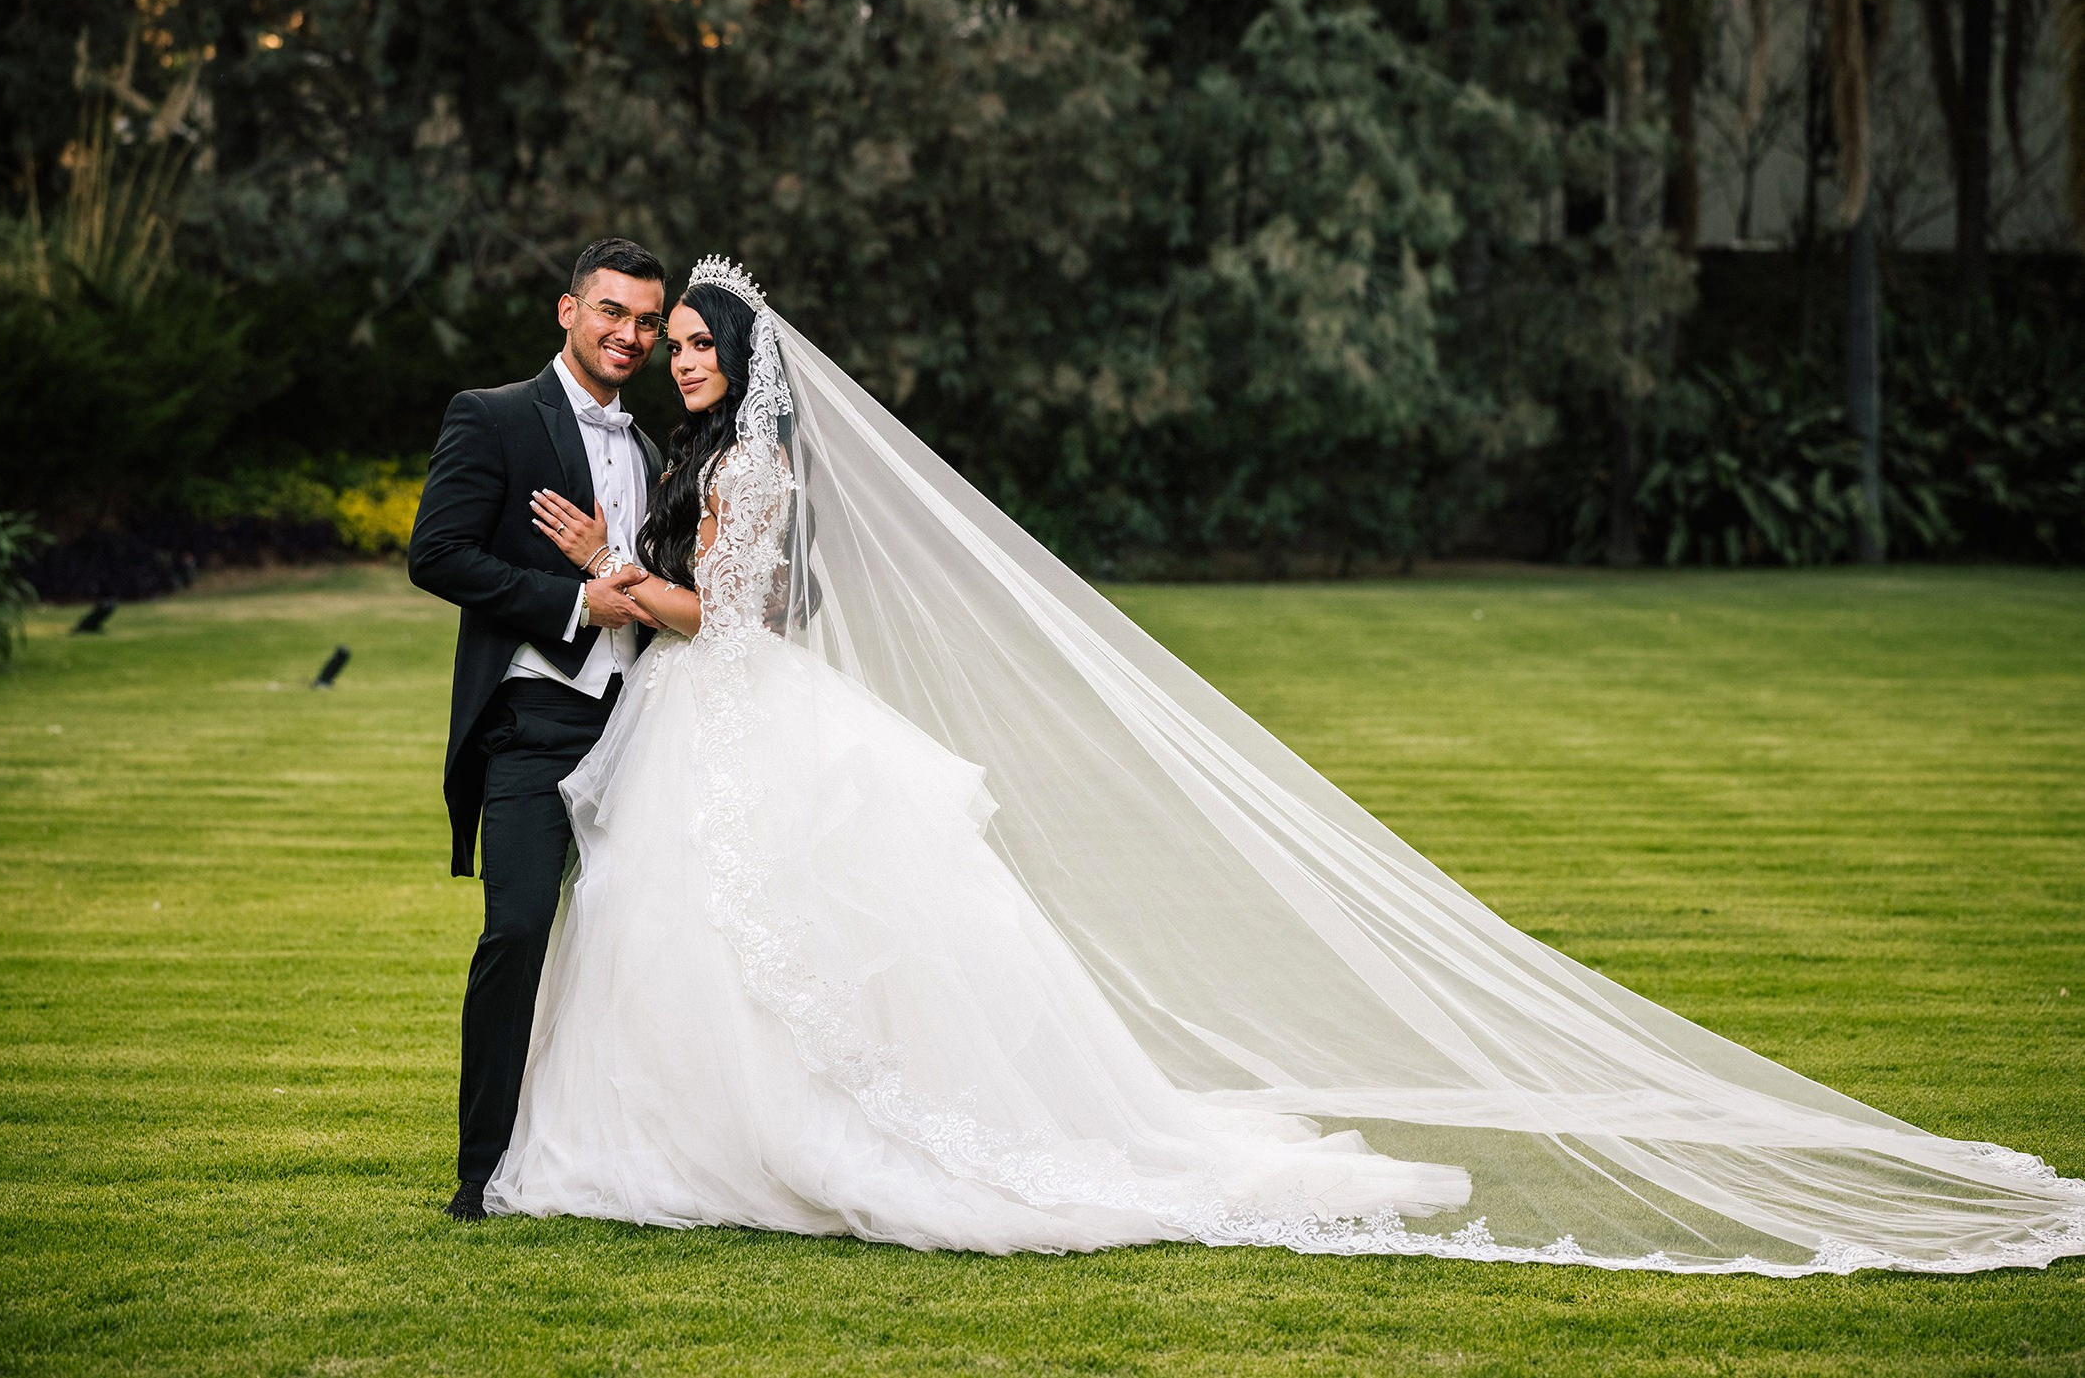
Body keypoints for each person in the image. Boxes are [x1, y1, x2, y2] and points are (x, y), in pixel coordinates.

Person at [489, 255, 2085, 1272]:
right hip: (722, 722)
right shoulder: (714, 450)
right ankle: (714, 1135)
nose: (677, 356)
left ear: (742, 353)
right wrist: (622, 568)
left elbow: (735, 613)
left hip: (740, 706)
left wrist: (605, 577)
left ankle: (782, 1142)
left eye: (696, 341)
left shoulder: (755, 462)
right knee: (703, 940)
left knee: (756, 935)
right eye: (667, 341)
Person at [407, 238, 671, 1222]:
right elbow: (437, 554)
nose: (630, 334)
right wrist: (572, 602)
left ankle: (626, 1151)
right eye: (612, 311)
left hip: (640, 724)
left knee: (642, 942)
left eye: (647, 321)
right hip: (533, 718)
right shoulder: (493, 416)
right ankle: (481, 1172)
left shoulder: (654, 452)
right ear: (568, 310)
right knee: (517, 929)